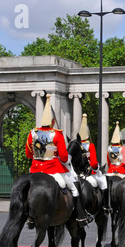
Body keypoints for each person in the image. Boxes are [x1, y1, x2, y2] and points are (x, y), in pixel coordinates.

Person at [25, 95, 91, 227]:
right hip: (53, 169)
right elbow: (64, 157)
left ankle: (30, 218)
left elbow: (28, 154)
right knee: (75, 187)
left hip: (35, 169)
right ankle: (81, 216)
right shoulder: (57, 134)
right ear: (53, 121)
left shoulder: (33, 133)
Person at [78, 114, 111, 213]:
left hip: (78, 173)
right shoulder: (90, 145)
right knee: (104, 183)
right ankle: (105, 206)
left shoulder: (76, 144)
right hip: (89, 174)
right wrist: (97, 169)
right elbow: (93, 164)